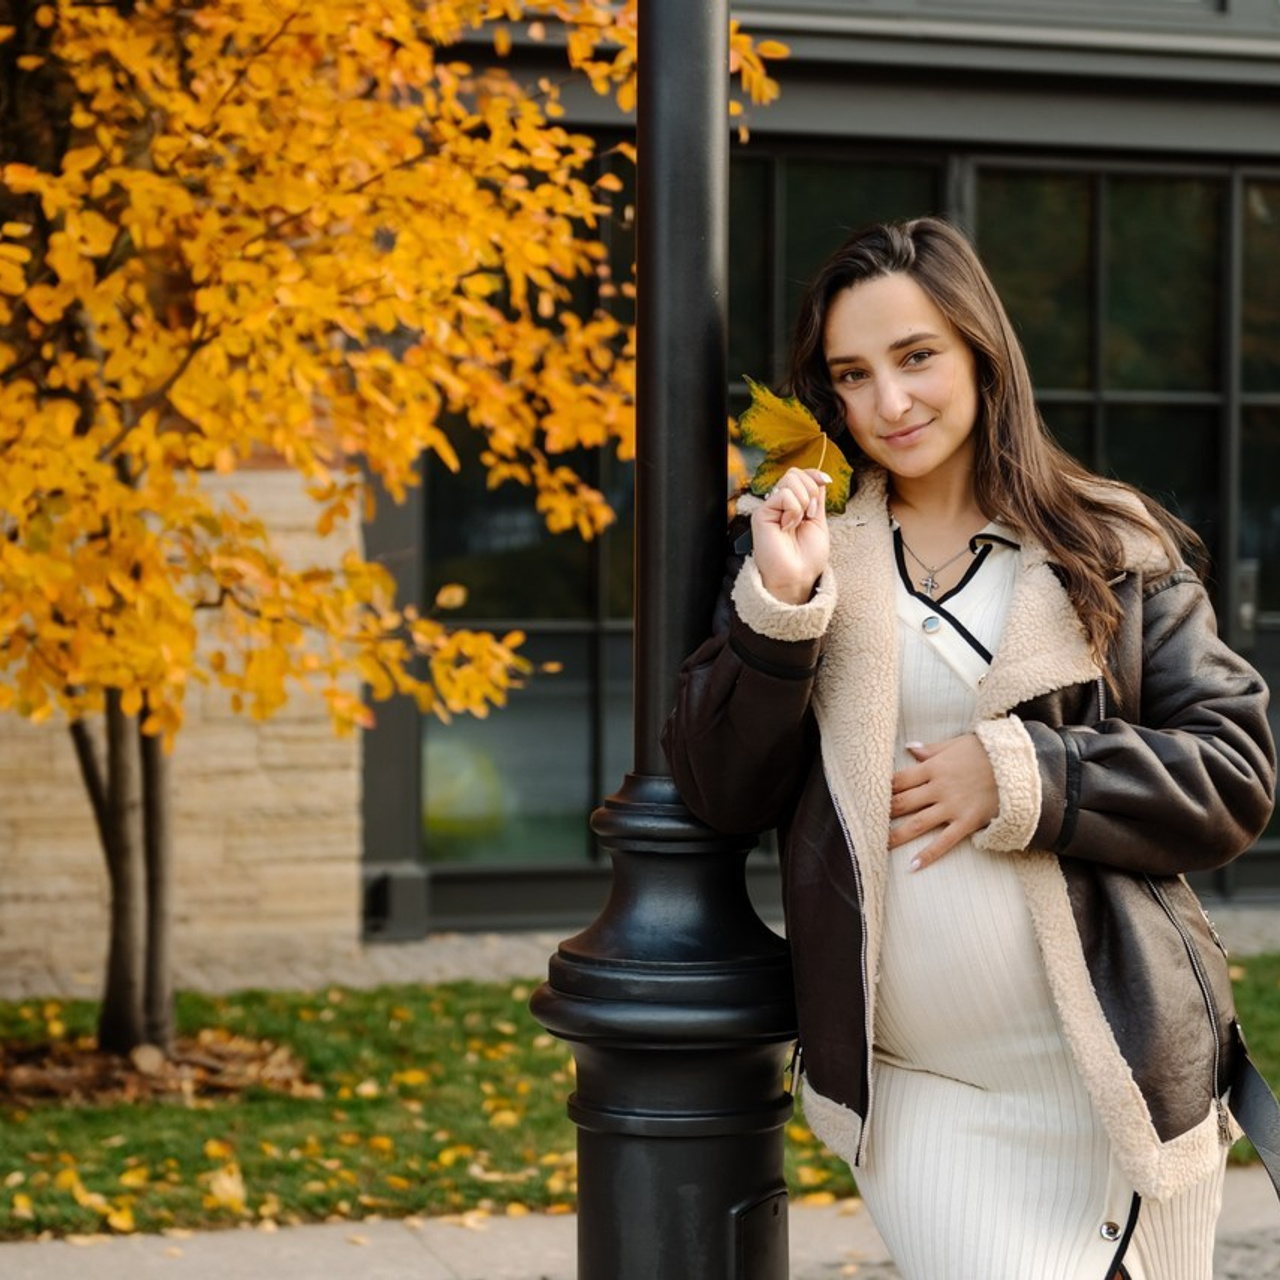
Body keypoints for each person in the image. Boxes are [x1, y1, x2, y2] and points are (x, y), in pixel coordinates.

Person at [662, 217, 1277, 1280]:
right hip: (922, 1091)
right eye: (852, 375)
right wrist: (782, 604)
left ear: (980, 354)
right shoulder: (800, 551)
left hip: (1124, 1086)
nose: (888, 404)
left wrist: (1024, 774)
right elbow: (719, 788)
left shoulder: (1110, 546)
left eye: (915, 358)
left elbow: (1230, 770)